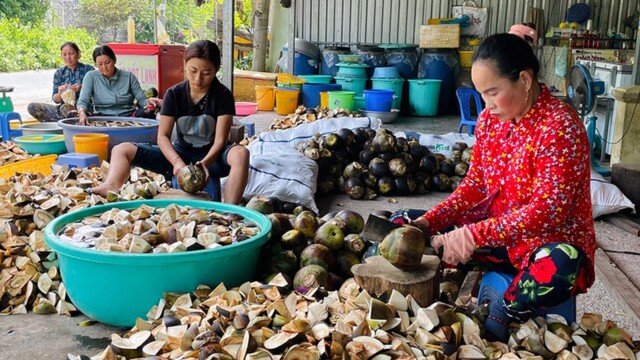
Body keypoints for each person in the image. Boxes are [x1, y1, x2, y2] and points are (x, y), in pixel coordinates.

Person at [392, 33, 596, 342]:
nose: (486, 105)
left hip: (547, 243)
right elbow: (475, 185)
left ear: (525, 80)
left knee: (560, 266)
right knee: (405, 225)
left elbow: (547, 212)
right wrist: (429, 222)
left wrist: (472, 235)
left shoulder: (560, 127)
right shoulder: (490, 120)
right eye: (481, 94)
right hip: (498, 239)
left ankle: (503, 311)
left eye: (492, 92)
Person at [90, 40, 249, 204]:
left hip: (212, 159)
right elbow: (163, 136)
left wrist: (204, 163)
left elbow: (221, 140)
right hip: (179, 154)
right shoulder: (174, 93)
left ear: (216, 70)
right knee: (121, 149)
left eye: (206, 73)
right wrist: (177, 162)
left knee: (241, 154)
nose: (198, 79)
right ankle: (110, 186)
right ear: (185, 64)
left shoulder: (223, 95)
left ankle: (230, 211)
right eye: (193, 71)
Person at [76, 45, 162, 125]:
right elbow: (83, 101)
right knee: (74, 115)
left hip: (128, 118)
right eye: (100, 64)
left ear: (114, 60)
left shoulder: (128, 77)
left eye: (107, 62)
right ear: (95, 64)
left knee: (150, 109)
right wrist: (81, 112)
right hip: (101, 118)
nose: (104, 67)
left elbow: (142, 99)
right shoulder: (91, 77)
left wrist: (149, 101)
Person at [27, 42, 94, 122]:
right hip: (63, 110)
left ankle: (66, 121)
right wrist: (60, 93)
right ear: (61, 56)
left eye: (71, 53)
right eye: (64, 54)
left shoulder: (88, 70)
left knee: (70, 110)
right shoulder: (59, 73)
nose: (68, 57)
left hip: (84, 109)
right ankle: (66, 120)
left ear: (78, 54)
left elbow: (98, 91)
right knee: (33, 107)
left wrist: (82, 87)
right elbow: (55, 99)